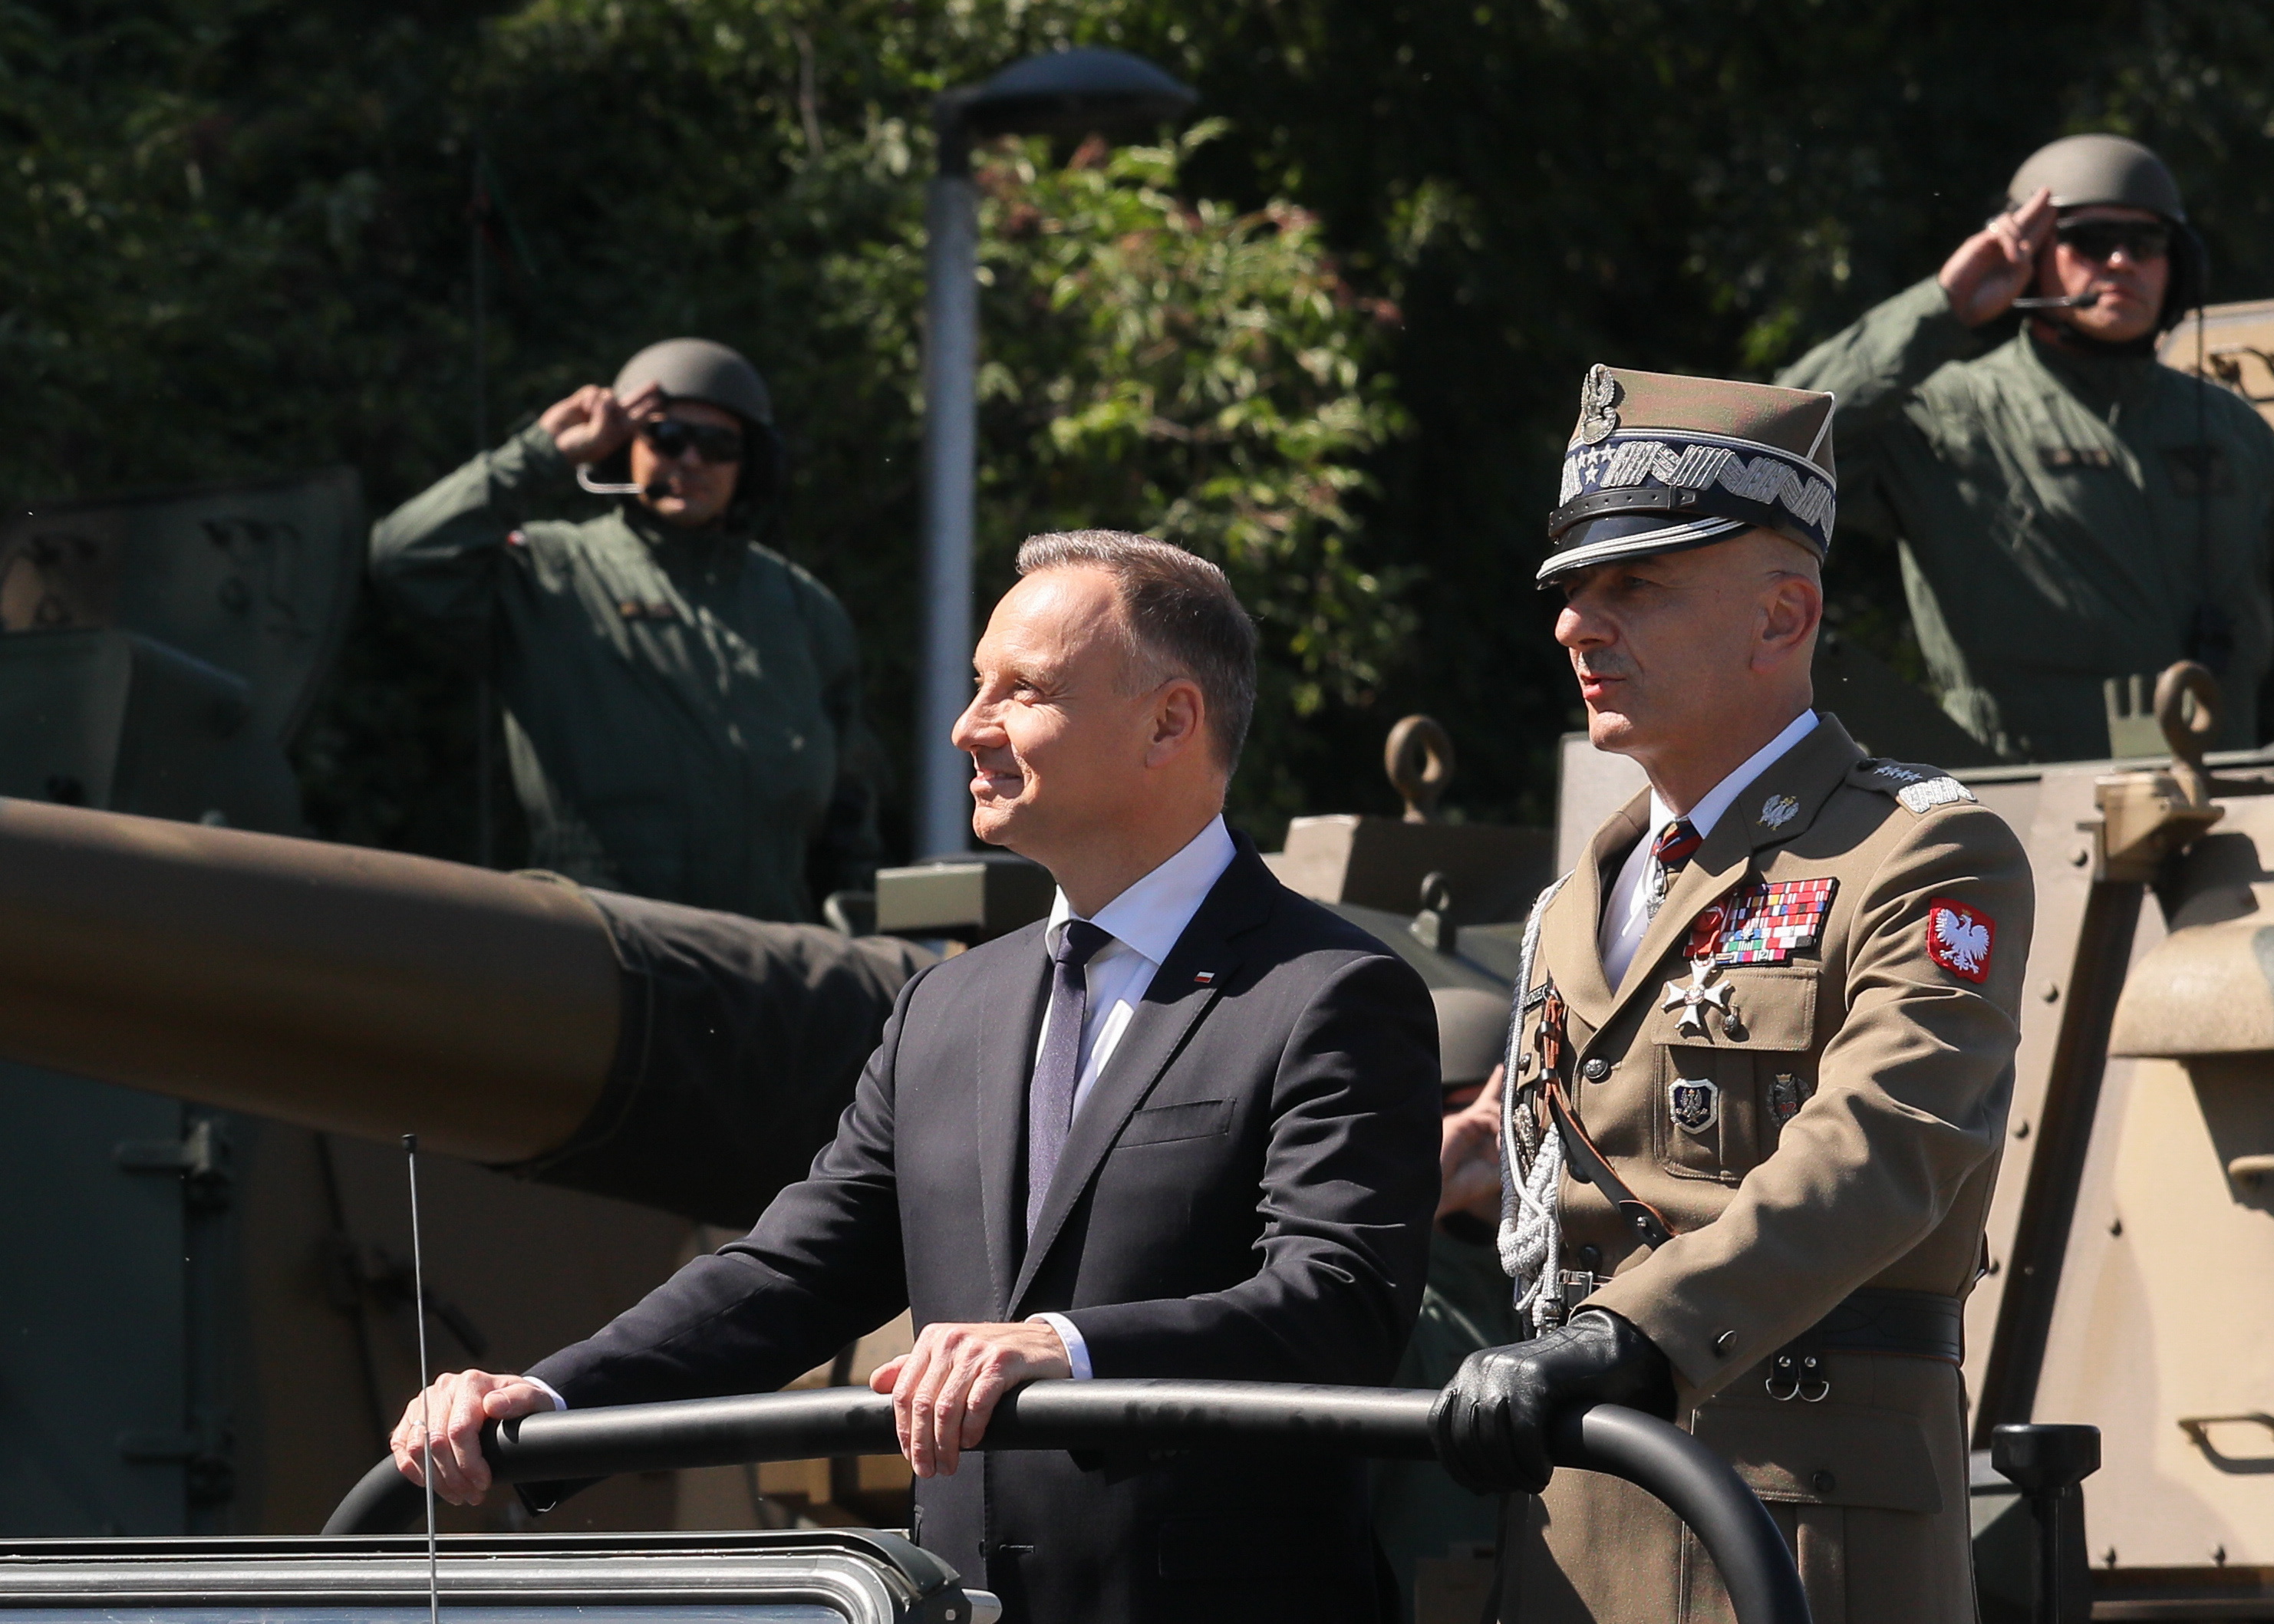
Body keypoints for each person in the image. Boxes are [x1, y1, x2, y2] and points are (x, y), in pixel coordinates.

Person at [391, 532, 1442, 1624]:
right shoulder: (949, 1008)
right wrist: (551, 1397)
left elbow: (1337, 1301)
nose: (967, 727)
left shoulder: (1327, 991)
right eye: (976, 685)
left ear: (1170, 721)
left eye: (1021, 691)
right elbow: (796, 1272)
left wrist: (1068, 1347)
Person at [1429, 366, 2035, 1622]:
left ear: (1781, 615)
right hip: (1567, 1526)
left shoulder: (1919, 853)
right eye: (1569, 593)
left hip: (1794, 1527)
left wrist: (1631, 1333)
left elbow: (1882, 1144)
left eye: (1633, 586)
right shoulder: (1574, 902)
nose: (1574, 628)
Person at [1778, 133, 2274, 763]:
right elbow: (1773, 436)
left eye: (2146, 244)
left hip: (2231, 810)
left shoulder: (2235, 432)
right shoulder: (1947, 416)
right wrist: (1943, 308)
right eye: (2091, 242)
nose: (2121, 262)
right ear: (2032, 254)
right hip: (2021, 814)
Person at [371, 338, 882, 922]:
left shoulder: (806, 610)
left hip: (764, 956)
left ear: (750, 465)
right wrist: (542, 452)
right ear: (624, 447)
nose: (689, 460)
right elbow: (405, 557)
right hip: (596, 944)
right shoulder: (551, 573)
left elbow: (850, 811)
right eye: (666, 438)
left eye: (717, 445)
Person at [1372, 989, 1525, 1624]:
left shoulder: (1559, 1286)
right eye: (1465, 1117)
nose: (1492, 1141)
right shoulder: (1399, 1299)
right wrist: (1417, 1192)